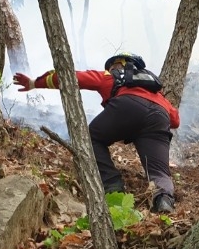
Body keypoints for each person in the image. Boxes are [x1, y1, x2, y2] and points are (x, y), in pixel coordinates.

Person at [14, 53, 181, 214]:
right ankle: (164, 201)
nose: (111, 67)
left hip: (127, 106)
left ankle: (113, 186)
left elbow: (71, 77)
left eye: (113, 65)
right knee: (159, 171)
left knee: (90, 139)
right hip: (160, 118)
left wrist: (34, 83)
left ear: (119, 64)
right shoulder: (155, 92)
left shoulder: (112, 76)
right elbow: (175, 120)